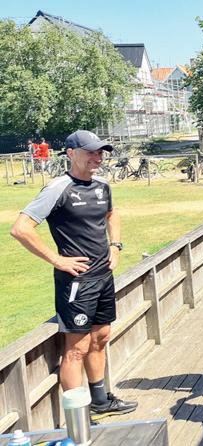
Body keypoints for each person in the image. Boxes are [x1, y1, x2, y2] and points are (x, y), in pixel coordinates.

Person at [11, 130, 137, 419]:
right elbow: (21, 228)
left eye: (100, 152)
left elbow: (112, 214)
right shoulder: (58, 188)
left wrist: (115, 246)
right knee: (76, 348)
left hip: (103, 277)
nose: (98, 157)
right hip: (76, 282)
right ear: (70, 153)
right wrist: (56, 259)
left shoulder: (103, 186)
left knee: (101, 336)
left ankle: (100, 401)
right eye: (91, 152)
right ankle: (77, 418)